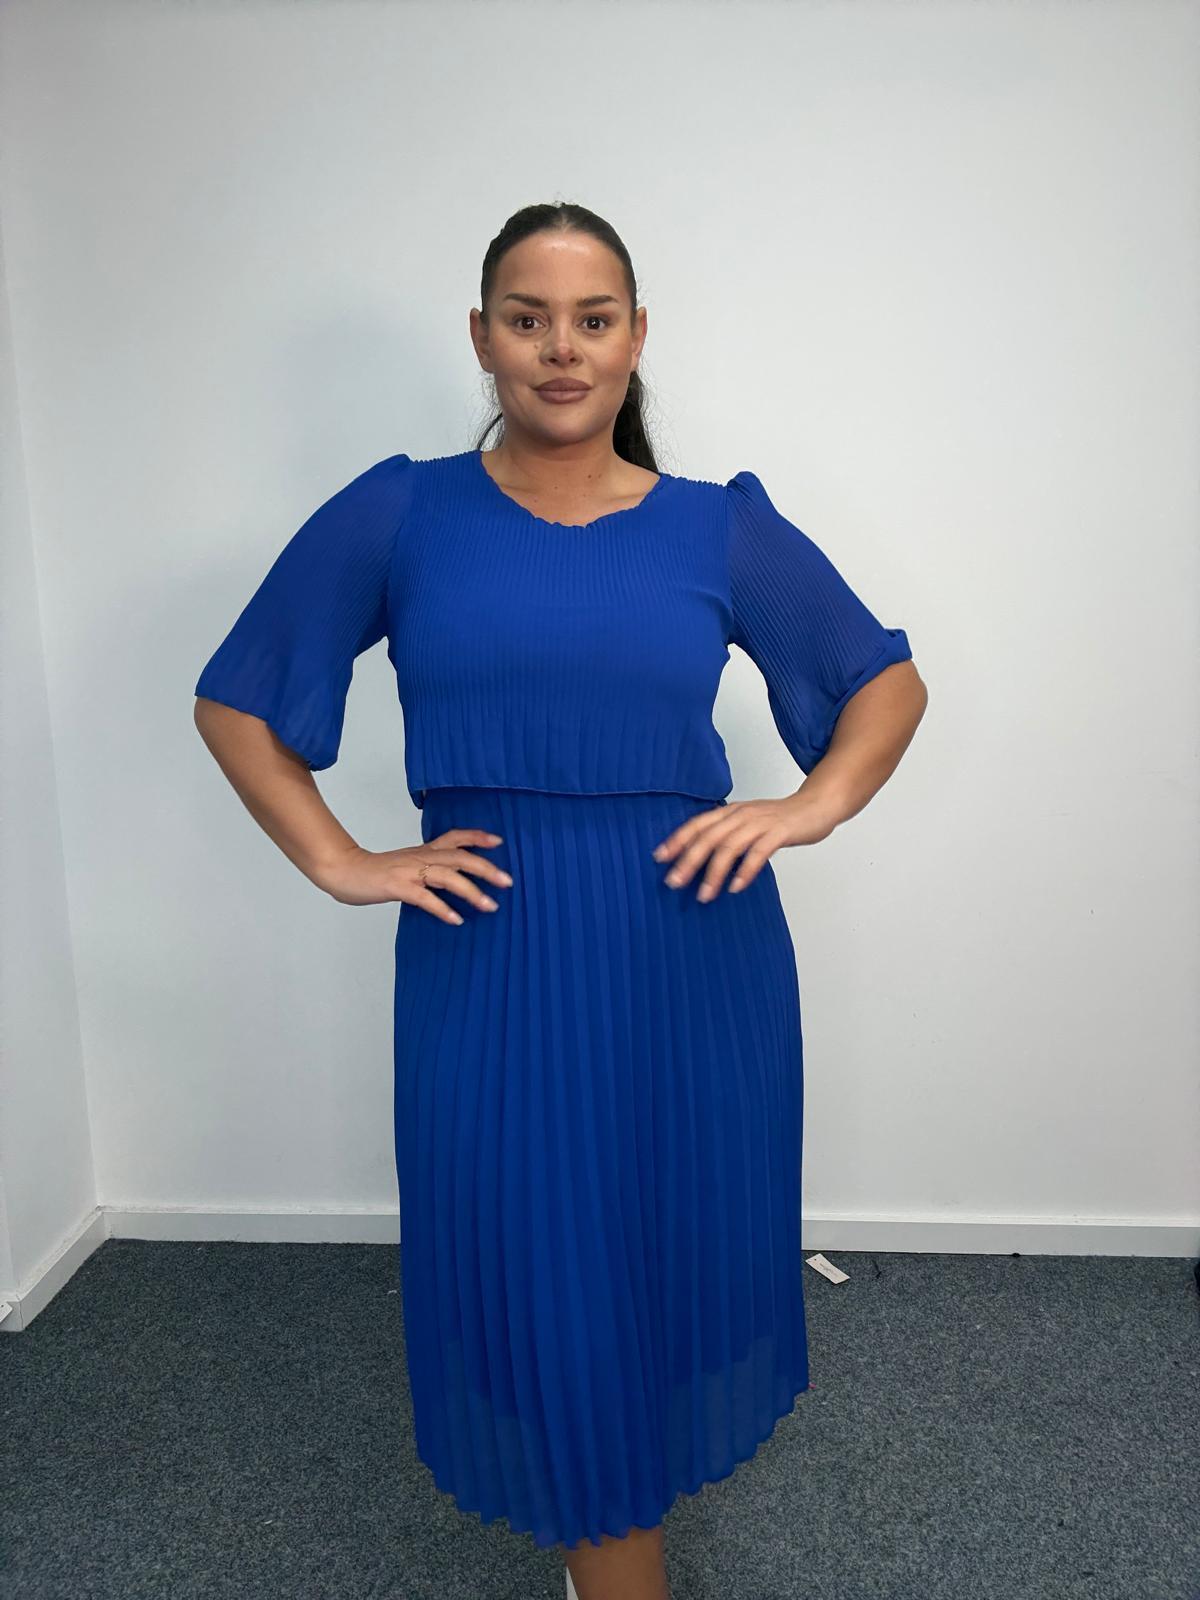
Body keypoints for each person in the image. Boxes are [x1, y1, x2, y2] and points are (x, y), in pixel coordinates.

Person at [193, 201, 927, 1600]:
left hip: (689, 951)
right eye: (528, 320)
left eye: (593, 320)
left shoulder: (717, 527)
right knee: (537, 1253)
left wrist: (807, 807)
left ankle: (609, 1536)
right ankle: (612, 1549)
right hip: (492, 951)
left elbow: (882, 681)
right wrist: (342, 861)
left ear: (636, 338)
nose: (562, 349)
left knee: (662, 1245)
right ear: (483, 339)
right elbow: (239, 700)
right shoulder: (404, 512)